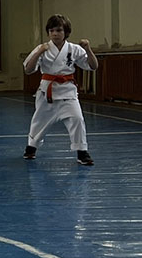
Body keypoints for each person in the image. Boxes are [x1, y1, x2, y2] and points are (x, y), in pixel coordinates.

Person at [23, 14, 98, 165]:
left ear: (66, 32)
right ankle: (31, 147)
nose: (55, 34)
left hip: (68, 92)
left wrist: (88, 49)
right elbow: (28, 70)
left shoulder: (74, 49)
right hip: (47, 93)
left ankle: (82, 151)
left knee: (77, 119)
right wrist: (39, 52)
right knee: (39, 122)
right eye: (51, 31)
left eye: (58, 30)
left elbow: (93, 66)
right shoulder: (42, 48)